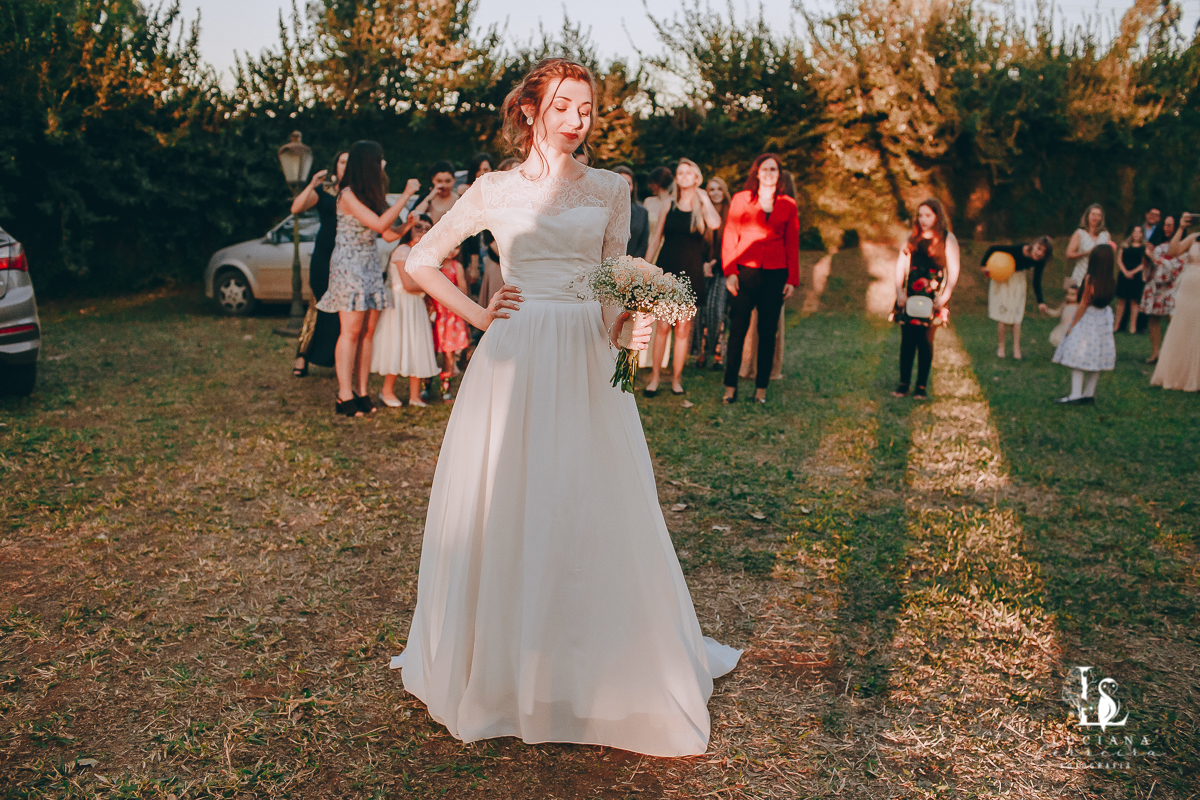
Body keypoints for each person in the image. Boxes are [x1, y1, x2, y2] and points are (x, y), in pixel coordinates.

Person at [390, 57, 740, 758]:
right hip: (514, 356)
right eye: (563, 107)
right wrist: (480, 316)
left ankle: (593, 664)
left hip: (583, 353)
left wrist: (626, 325)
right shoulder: (491, 189)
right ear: (530, 111)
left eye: (586, 108)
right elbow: (418, 260)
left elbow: (612, 281)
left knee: (588, 501)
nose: (577, 120)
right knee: (510, 499)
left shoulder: (613, 189)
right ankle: (504, 668)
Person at [316, 140, 420, 417]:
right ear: (368, 164)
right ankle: (344, 394)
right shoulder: (347, 195)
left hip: (371, 265)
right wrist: (406, 194)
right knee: (350, 332)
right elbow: (378, 224)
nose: (383, 164)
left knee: (367, 332)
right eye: (380, 160)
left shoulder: (371, 194)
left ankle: (362, 391)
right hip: (349, 267)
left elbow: (386, 234)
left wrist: (407, 226)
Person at [720, 153, 800, 404]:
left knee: (768, 332)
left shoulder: (788, 204)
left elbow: (792, 243)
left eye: (773, 170)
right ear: (756, 172)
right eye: (764, 169)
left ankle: (761, 389)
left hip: (776, 274)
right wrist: (730, 272)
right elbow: (730, 237)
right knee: (738, 330)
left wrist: (792, 279)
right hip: (746, 272)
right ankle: (730, 387)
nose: (768, 173)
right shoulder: (741, 199)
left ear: (779, 175)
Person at [645, 158, 723, 396]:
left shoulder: (702, 206)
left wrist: (704, 197)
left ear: (696, 177)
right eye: (680, 173)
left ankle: (676, 379)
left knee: (683, 329)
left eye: (689, 172)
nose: (684, 176)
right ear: (677, 178)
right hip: (667, 269)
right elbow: (656, 238)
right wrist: (646, 267)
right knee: (663, 328)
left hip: (691, 272)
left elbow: (715, 223)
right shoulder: (669, 205)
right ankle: (655, 378)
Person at [890, 198, 961, 400]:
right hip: (910, 293)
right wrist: (899, 292)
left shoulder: (948, 239)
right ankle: (903, 384)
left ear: (937, 216)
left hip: (934, 296)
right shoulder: (912, 237)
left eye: (928, 215)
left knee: (926, 340)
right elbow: (900, 265)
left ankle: (921, 386)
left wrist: (945, 295)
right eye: (920, 215)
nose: (923, 219)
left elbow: (954, 270)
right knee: (907, 341)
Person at [372, 214, 439, 407]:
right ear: (409, 228)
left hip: (416, 304)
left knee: (416, 345)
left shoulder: (423, 252)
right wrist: (434, 287)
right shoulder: (402, 250)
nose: (424, 232)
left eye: (428, 228)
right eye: (419, 227)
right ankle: (387, 391)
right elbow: (408, 285)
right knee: (398, 345)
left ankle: (414, 395)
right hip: (401, 304)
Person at [292, 150, 348, 376]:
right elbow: (296, 208)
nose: (346, 166)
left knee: (345, 310)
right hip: (324, 256)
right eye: (342, 161)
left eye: (350, 162)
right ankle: (302, 356)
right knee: (318, 305)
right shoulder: (324, 190)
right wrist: (312, 184)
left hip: (348, 257)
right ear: (336, 165)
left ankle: (340, 359)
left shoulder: (358, 193)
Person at [1052, 246, 1117, 404]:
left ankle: (1075, 394)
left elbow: (1083, 304)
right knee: (1097, 358)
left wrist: (1072, 325)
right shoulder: (1111, 281)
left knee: (1078, 357)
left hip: (1088, 320)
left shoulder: (1090, 279)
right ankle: (1089, 393)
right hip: (1102, 321)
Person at [981, 235, 1052, 359]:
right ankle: (1001, 348)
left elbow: (1036, 281)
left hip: (1018, 282)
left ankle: (1016, 349)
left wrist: (1040, 301)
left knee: (1016, 316)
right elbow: (993, 249)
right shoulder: (1019, 249)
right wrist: (983, 266)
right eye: (1039, 248)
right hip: (1003, 278)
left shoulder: (1040, 261)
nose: (1039, 253)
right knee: (1002, 315)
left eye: (1044, 252)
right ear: (1034, 244)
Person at [1151, 213, 1200, 391]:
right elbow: (1173, 251)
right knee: (1183, 327)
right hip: (1188, 288)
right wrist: (1180, 227)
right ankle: (1178, 375)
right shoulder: (1194, 238)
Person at [697, 177, 730, 369]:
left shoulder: (731, 212)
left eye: (719, 189)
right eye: (711, 189)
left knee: (718, 311)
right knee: (701, 312)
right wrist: (703, 263)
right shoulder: (701, 213)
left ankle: (718, 353)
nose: (715, 193)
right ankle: (701, 352)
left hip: (723, 269)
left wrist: (715, 261)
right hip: (702, 268)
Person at [1141, 214, 1184, 364]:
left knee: (1172, 319)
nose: (1168, 228)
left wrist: (1155, 258)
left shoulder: (1182, 244)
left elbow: (1177, 265)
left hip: (1171, 286)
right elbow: (1147, 264)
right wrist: (1147, 256)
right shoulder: (1155, 243)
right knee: (1153, 319)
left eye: (1171, 225)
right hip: (1154, 286)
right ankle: (1155, 353)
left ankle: (1173, 354)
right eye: (1165, 225)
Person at [433, 245, 470, 401]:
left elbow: (463, 288)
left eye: (457, 247)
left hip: (450, 316)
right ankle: (425, 385)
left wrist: (448, 290)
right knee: (432, 351)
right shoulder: (434, 267)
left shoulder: (457, 267)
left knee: (449, 353)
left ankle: (445, 388)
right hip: (436, 315)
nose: (453, 250)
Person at [458, 153, 494, 290]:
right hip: (472, 246)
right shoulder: (466, 191)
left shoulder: (495, 192)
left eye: (485, 170)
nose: (481, 173)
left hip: (491, 247)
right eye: (478, 170)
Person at [1065, 203, 1113, 286]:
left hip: (1100, 277)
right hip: (1081, 275)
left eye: (1098, 215)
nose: (1095, 217)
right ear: (1087, 216)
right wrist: (1086, 253)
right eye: (1093, 214)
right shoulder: (1079, 233)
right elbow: (1068, 254)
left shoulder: (1106, 235)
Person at [1114, 225, 1147, 334]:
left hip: (1136, 276)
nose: (1137, 234)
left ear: (1142, 234)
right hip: (1123, 275)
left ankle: (1132, 327)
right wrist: (1125, 272)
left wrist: (1132, 272)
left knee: (1134, 302)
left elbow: (1144, 263)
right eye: (1135, 232)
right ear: (1131, 233)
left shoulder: (1144, 247)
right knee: (1121, 301)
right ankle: (1116, 325)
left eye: (1139, 232)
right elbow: (1119, 259)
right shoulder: (1125, 245)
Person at [613, 165, 649, 259]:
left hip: (632, 265)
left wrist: (632, 265)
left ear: (633, 187)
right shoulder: (603, 210)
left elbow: (643, 243)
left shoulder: (642, 212)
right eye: (620, 182)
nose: (624, 186)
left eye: (628, 183)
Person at [412, 160, 458, 225]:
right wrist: (429, 198)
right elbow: (414, 216)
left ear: (454, 180)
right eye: (439, 181)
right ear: (433, 180)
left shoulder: (460, 199)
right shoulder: (426, 198)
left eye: (447, 181)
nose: (443, 185)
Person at [1048, 279, 1079, 347]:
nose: (1069, 296)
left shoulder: (1078, 307)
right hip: (1063, 329)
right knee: (1061, 345)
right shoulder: (1065, 304)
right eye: (1068, 294)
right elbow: (1057, 313)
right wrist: (1047, 310)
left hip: (1073, 330)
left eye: (1072, 294)